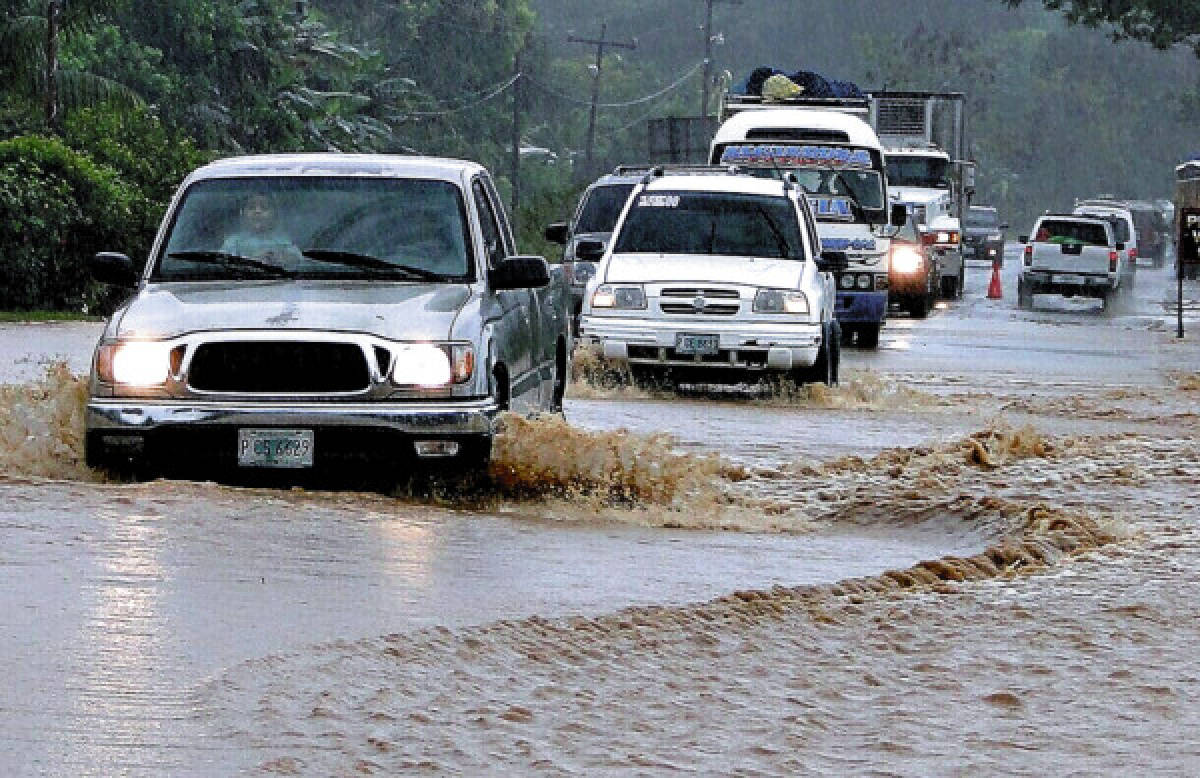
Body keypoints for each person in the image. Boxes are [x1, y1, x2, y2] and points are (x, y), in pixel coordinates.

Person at [221, 193, 302, 267]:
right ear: (242, 214)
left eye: (264, 208)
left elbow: (298, 260)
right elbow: (223, 263)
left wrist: (280, 257)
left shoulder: (284, 241)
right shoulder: (233, 242)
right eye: (251, 207)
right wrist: (251, 259)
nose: (257, 211)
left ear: (274, 215)